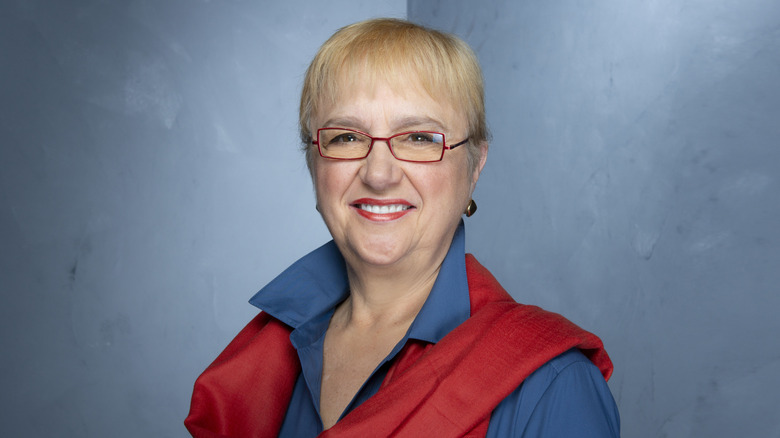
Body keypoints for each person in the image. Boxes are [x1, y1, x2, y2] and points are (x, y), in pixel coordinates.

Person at [185, 18, 620, 437]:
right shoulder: (266, 358)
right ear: (313, 161)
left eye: (418, 138)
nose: (379, 174)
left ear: (475, 164)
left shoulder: (551, 387)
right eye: (346, 137)